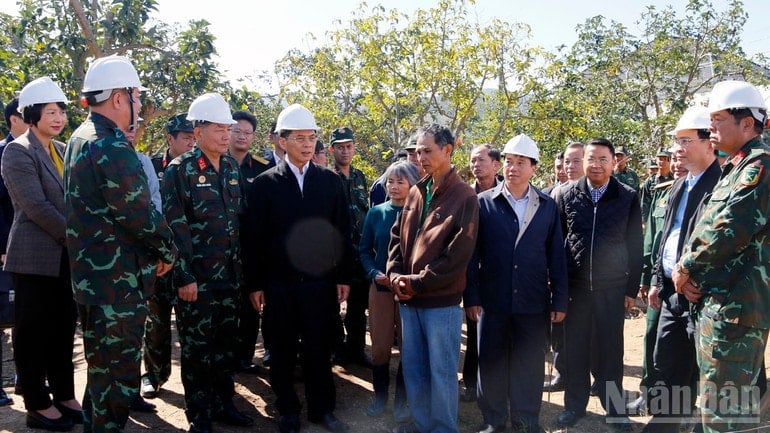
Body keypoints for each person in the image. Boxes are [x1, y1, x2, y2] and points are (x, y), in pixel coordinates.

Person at [64, 55, 176, 433]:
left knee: (100, 375)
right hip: (118, 286)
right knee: (117, 383)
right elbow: (139, 212)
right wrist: (167, 250)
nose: (139, 105)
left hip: (94, 283)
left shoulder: (79, 137)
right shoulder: (109, 144)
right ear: (118, 98)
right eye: (137, 97)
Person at [244, 103, 354, 433]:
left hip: (320, 284)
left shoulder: (330, 182)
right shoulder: (264, 184)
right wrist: (255, 284)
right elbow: (253, 239)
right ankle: (288, 409)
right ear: (281, 141)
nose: (308, 144)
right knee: (281, 348)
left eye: (311, 138)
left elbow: (342, 231)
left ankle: (323, 410)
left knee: (319, 348)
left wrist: (343, 276)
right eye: (299, 138)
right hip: (279, 284)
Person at [673, 80, 769, 433]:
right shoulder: (737, 166)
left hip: (737, 312)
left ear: (747, 123)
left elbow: (729, 229)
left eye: (717, 119)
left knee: (725, 412)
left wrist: (686, 267)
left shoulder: (759, 167)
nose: (710, 127)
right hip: (719, 305)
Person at [161, 93, 252, 433]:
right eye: (218, 129)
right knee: (198, 350)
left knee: (226, 346)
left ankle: (224, 403)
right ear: (197, 132)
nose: (226, 135)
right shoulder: (179, 170)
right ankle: (198, 413)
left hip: (230, 277)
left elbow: (240, 221)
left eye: (228, 128)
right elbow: (172, 227)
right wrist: (183, 276)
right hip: (195, 280)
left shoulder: (230, 168)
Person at [465, 134, 568, 433]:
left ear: (534, 168)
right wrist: (471, 295)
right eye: (509, 162)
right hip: (492, 299)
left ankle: (526, 419)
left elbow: (556, 256)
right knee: (491, 362)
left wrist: (559, 299)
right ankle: (493, 420)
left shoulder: (547, 206)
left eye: (520, 163)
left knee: (529, 363)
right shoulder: (484, 203)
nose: (513, 168)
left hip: (533, 300)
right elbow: (472, 255)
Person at [387, 124, 479, 433]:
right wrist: (395, 274)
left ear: (448, 150)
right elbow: (396, 239)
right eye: (417, 150)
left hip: (440, 303)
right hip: (408, 300)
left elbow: (456, 257)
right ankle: (421, 423)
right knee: (414, 369)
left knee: (441, 371)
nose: (420, 157)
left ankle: (442, 428)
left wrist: (414, 282)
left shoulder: (465, 197)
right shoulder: (416, 190)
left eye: (428, 150)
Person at [2, 77, 80, 431]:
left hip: (65, 257)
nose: (58, 117)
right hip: (34, 255)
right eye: (50, 111)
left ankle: (64, 394)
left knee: (63, 328)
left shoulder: (62, 149)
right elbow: (34, 205)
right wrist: (75, 236)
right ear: (31, 114)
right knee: (32, 332)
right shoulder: (17, 150)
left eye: (61, 111)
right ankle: (36, 402)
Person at [553, 137, 643, 430]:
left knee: (611, 352)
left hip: (612, 288)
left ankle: (615, 410)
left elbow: (635, 244)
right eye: (591, 159)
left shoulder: (627, 195)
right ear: (583, 161)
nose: (596, 165)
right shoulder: (566, 194)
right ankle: (574, 406)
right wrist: (559, 288)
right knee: (575, 350)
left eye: (603, 159)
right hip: (576, 289)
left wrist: (631, 289)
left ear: (614, 162)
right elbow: (557, 245)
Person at [640, 106, 720, 432]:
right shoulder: (679, 185)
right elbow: (668, 238)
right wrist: (659, 279)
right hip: (673, 293)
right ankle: (666, 423)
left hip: (704, 296)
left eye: (686, 141)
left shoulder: (722, 186)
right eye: (676, 141)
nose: (678, 149)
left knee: (709, 371)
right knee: (667, 361)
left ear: (709, 143)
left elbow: (723, 243)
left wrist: (698, 279)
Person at [141, 113, 196, 400]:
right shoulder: (149, 166)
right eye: (185, 137)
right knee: (157, 322)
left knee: (192, 325)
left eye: (193, 136)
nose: (191, 142)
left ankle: (197, 384)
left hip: (187, 258)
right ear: (170, 139)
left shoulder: (197, 169)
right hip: (158, 259)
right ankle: (153, 375)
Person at [359, 161, 419, 420]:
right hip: (380, 289)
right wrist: (374, 273)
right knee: (381, 347)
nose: (394, 187)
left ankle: (401, 402)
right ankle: (380, 397)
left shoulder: (420, 214)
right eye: (390, 182)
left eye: (400, 182)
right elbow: (364, 251)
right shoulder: (376, 213)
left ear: (412, 184)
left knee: (409, 347)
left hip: (410, 292)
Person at [229, 110, 270, 375]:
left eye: (247, 133)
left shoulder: (262, 169)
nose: (242, 136)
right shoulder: (218, 163)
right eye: (237, 131)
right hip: (222, 247)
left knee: (250, 306)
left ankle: (244, 357)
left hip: (252, 248)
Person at [460, 143, 502, 403]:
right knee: (474, 327)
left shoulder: (509, 192)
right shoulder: (466, 195)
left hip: (501, 273)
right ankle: (471, 383)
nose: (476, 165)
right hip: (472, 273)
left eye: (481, 160)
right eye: (473, 161)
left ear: (496, 165)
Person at [544, 141, 584, 393]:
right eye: (566, 162)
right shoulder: (558, 194)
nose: (569, 167)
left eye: (575, 161)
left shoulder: (599, 193)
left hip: (591, 277)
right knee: (561, 327)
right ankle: (563, 372)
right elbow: (553, 238)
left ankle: (594, 377)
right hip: (563, 274)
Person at [329, 127, 371, 367]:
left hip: (360, 253)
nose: (345, 151)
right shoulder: (326, 177)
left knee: (358, 306)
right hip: (336, 254)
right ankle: (337, 349)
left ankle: (356, 350)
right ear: (331, 149)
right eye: (340, 147)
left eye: (349, 146)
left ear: (354, 148)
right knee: (333, 305)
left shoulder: (359, 176)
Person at [0, 97, 26, 408]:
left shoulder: (45, 151)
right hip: (6, 250)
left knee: (25, 316)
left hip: (31, 253)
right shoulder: (3, 151)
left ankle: (25, 375)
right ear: (13, 120)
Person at [640, 148, 673, 222]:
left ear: (670, 160)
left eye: (665, 159)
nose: (662, 162)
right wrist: (644, 221)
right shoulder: (651, 180)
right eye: (660, 159)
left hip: (670, 217)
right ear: (656, 161)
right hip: (653, 218)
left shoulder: (676, 179)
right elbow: (644, 202)